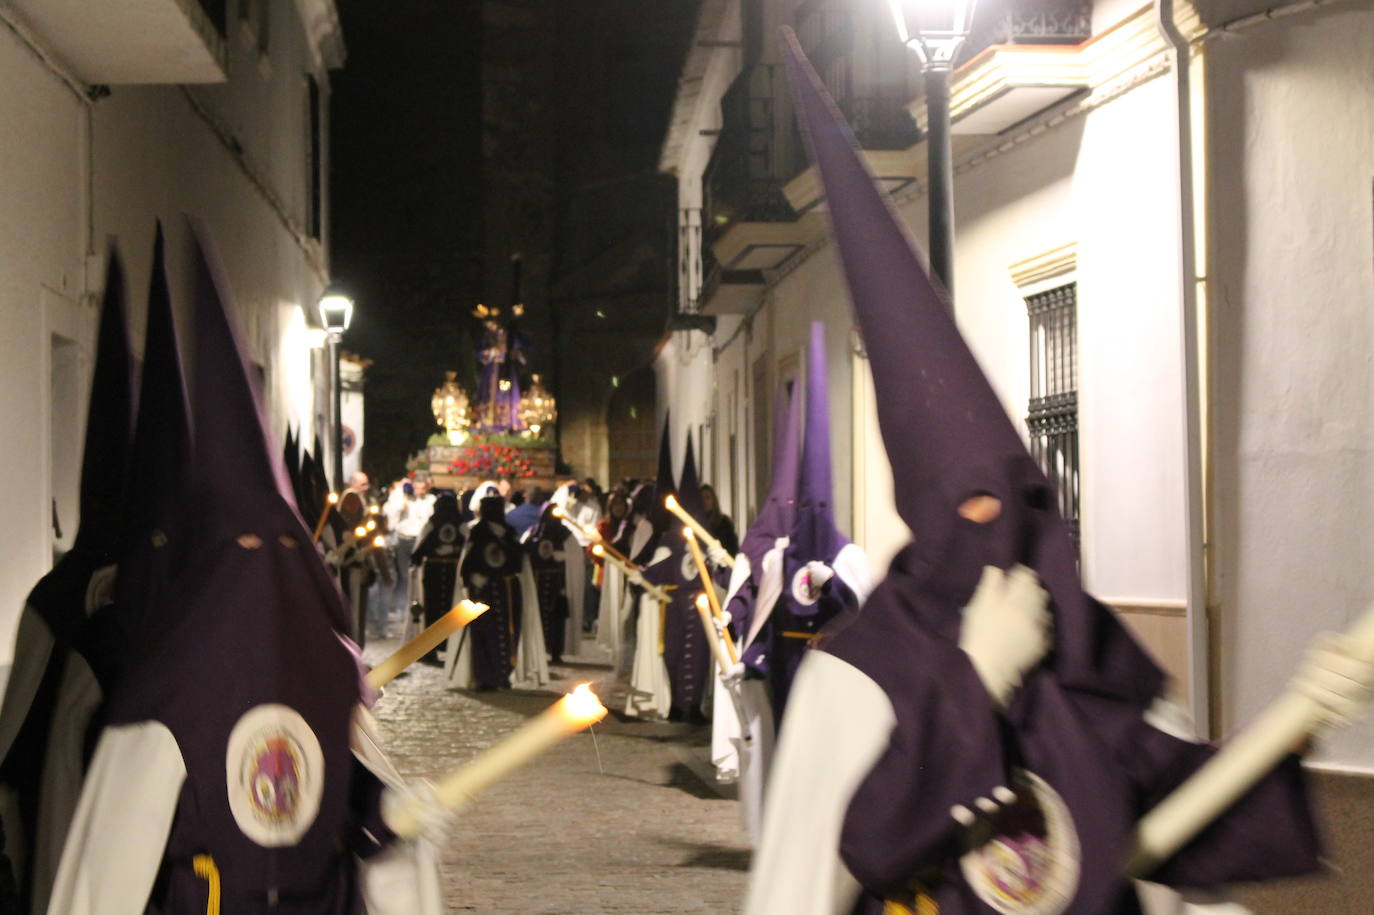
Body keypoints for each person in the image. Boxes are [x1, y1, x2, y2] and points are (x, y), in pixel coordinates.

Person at [744, 37, 1374, 914]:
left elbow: (1171, 844)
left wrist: (1304, 708)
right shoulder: (858, 676)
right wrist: (971, 687)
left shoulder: (1090, 660)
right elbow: (830, 867)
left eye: (1025, 500)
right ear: (922, 515)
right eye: (965, 504)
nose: (999, 524)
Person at [47, 222, 441, 915]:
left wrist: (396, 820)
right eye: (247, 552)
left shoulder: (318, 674)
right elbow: (103, 875)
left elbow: (370, 808)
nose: (263, 577)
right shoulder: (172, 690)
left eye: (281, 548)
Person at [444, 495, 548, 691]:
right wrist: (473, 579)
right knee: (484, 633)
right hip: (484, 592)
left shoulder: (508, 534)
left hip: (507, 590)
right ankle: (485, 676)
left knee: (508, 633)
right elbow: (469, 562)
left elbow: (518, 561)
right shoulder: (477, 533)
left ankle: (503, 674)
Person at [409, 493, 466, 664]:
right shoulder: (459, 525)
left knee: (438, 610)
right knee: (437, 609)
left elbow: (417, 553)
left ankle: (436, 649)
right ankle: (433, 649)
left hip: (439, 572)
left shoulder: (433, 524)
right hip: (444, 572)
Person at [700, 484, 739, 557]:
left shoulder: (724, 523)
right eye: (701, 498)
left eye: (707, 498)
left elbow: (732, 548)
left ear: (713, 501)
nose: (704, 501)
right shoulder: (696, 522)